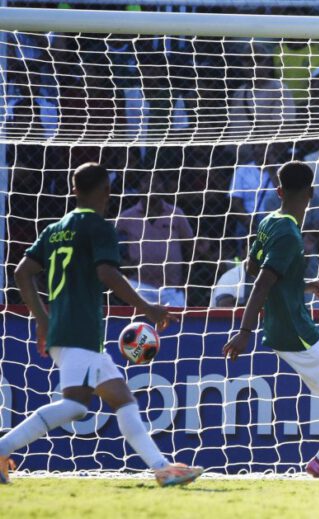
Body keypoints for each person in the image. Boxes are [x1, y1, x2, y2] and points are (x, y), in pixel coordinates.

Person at [2, 163, 202, 486]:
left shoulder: (54, 229)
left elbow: (21, 272)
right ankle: (2, 448)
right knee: (74, 406)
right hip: (79, 330)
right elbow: (107, 273)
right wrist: (147, 308)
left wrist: (42, 320)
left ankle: (162, 469)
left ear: (73, 190)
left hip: (70, 330)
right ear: (108, 190)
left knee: (123, 399)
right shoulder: (99, 227)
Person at [221, 161, 319, 483]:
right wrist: (244, 331)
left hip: (288, 328)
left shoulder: (269, 221)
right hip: (297, 330)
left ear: (279, 191)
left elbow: (252, 267)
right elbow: (261, 283)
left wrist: (301, 284)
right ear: (311, 193)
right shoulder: (290, 234)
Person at [116, 172, 208, 307]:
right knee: (138, 319)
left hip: (172, 288)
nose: (152, 185)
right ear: (139, 187)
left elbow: (190, 247)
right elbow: (109, 240)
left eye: (157, 181)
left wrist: (186, 280)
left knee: (179, 319)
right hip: (139, 285)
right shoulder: (127, 216)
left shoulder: (176, 213)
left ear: (164, 187)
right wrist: (123, 263)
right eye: (146, 181)